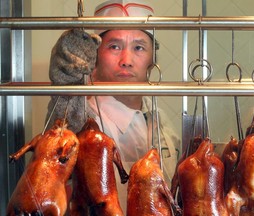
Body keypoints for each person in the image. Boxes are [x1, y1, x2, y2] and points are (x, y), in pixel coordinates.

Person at [47, 0, 180, 213]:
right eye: (114, 46)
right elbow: (61, 132)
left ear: (152, 60)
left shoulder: (160, 119)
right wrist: (66, 86)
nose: (126, 60)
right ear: (94, 58)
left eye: (138, 47)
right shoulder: (82, 118)